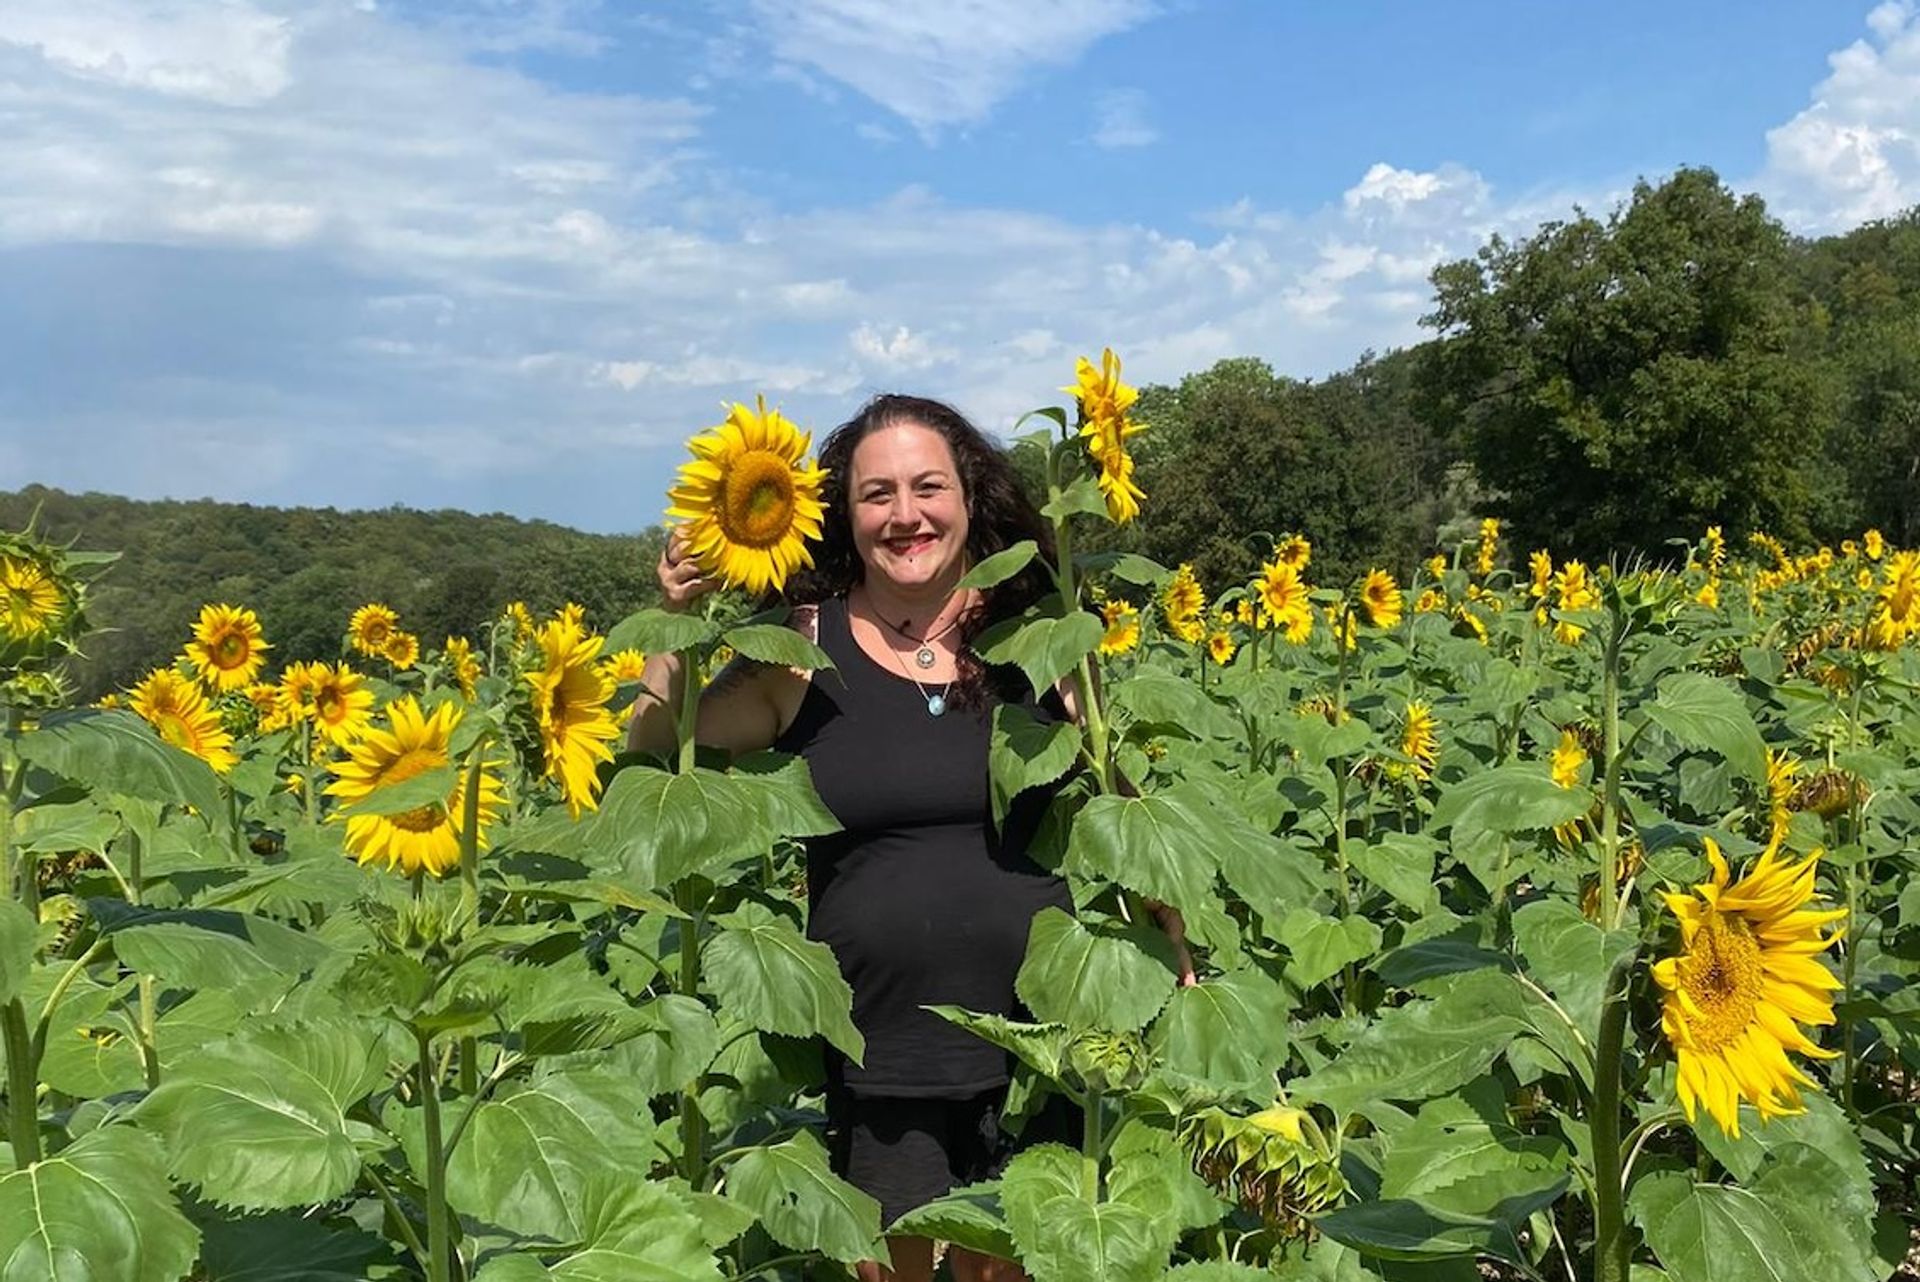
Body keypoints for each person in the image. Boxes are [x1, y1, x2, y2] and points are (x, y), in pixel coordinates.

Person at [628, 394, 1190, 1282]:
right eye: (876, 494)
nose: (905, 515)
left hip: (1038, 1041)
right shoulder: (797, 649)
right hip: (881, 1050)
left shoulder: (1036, 637)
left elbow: (1114, 781)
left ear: (970, 497)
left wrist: (1168, 913)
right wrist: (673, 628)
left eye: (927, 487)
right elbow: (660, 746)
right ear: (842, 517)